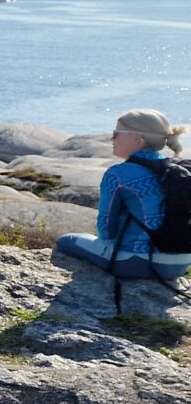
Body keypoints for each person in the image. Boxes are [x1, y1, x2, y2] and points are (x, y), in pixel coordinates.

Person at [53, 109, 190, 282]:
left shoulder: (118, 174)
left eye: (116, 133)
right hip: (179, 264)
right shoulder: (179, 171)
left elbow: (106, 231)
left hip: (134, 262)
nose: (112, 139)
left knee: (66, 241)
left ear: (137, 139)